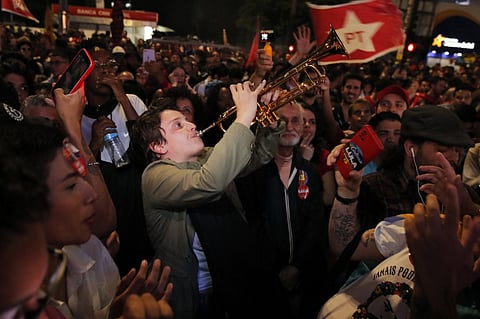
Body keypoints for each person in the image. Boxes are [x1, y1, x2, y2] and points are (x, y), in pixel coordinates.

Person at [130, 80, 287, 319]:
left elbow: (257, 157)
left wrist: (272, 124)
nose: (191, 125)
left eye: (188, 120)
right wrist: (243, 117)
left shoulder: (204, 157)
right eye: (178, 125)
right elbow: (209, 183)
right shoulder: (154, 176)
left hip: (231, 279)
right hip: (196, 293)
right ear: (158, 145)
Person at [327, 105, 479, 298]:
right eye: (442, 149)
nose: (454, 158)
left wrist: (463, 203)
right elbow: (344, 248)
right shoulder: (376, 187)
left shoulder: (460, 191)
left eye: (459, 151)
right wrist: (346, 192)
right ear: (410, 149)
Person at [236, 101, 327, 319]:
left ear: (304, 125)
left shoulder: (309, 172)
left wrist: (296, 267)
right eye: (281, 120)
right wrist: (274, 271)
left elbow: (315, 224)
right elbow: (251, 225)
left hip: (304, 277)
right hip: (264, 279)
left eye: (295, 120)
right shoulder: (252, 171)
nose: (288, 126)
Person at [80, 43, 153, 276]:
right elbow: (76, 170)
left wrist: (121, 96)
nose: (105, 70)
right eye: (97, 66)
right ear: (83, 73)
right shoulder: (76, 114)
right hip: (103, 208)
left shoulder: (132, 102)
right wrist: (93, 144)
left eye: (109, 64)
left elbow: (148, 143)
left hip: (136, 202)